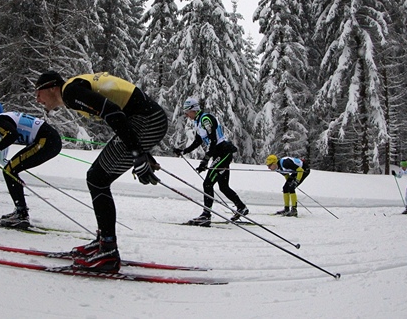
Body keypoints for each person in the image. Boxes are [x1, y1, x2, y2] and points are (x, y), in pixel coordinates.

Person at [36, 71, 166, 272]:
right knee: (98, 177)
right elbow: (119, 110)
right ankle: (103, 242)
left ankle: (108, 250)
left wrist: (137, 152)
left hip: (146, 120)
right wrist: (139, 150)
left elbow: (113, 112)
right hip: (146, 119)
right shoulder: (73, 87)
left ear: (52, 87)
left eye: (39, 92)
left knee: (97, 178)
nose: (37, 99)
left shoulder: (70, 91)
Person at [0, 105, 62, 228]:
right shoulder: (0, 120)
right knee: (10, 170)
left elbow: (11, 135)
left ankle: (21, 213)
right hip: (49, 140)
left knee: (9, 170)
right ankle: (20, 211)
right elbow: (6, 135)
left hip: (46, 141)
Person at [173, 97, 248, 226]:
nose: (186, 114)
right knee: (223, 187)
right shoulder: (197, 122)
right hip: (218, 154)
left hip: (223, 152)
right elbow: (198, 141)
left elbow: (213, 140)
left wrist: (205, 161)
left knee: (207, 184)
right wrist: (183, 151)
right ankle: (241, 207)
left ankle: (206, 215)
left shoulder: (206, 119)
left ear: (194, 110)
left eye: (187, 111)